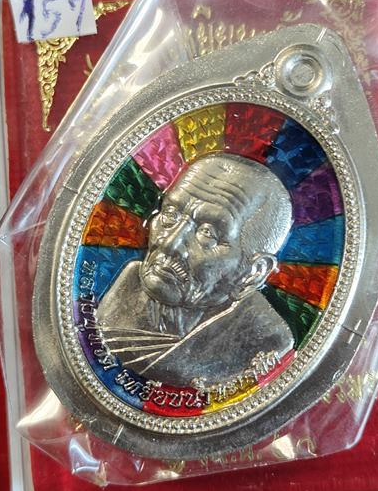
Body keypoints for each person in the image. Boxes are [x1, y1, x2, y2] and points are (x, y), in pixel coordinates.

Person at [97, 152, 294, 387]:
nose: (169, 244)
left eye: (208, 233)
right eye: (170, 214)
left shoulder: (267, 340)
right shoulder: (124, 291)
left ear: (254, 272)